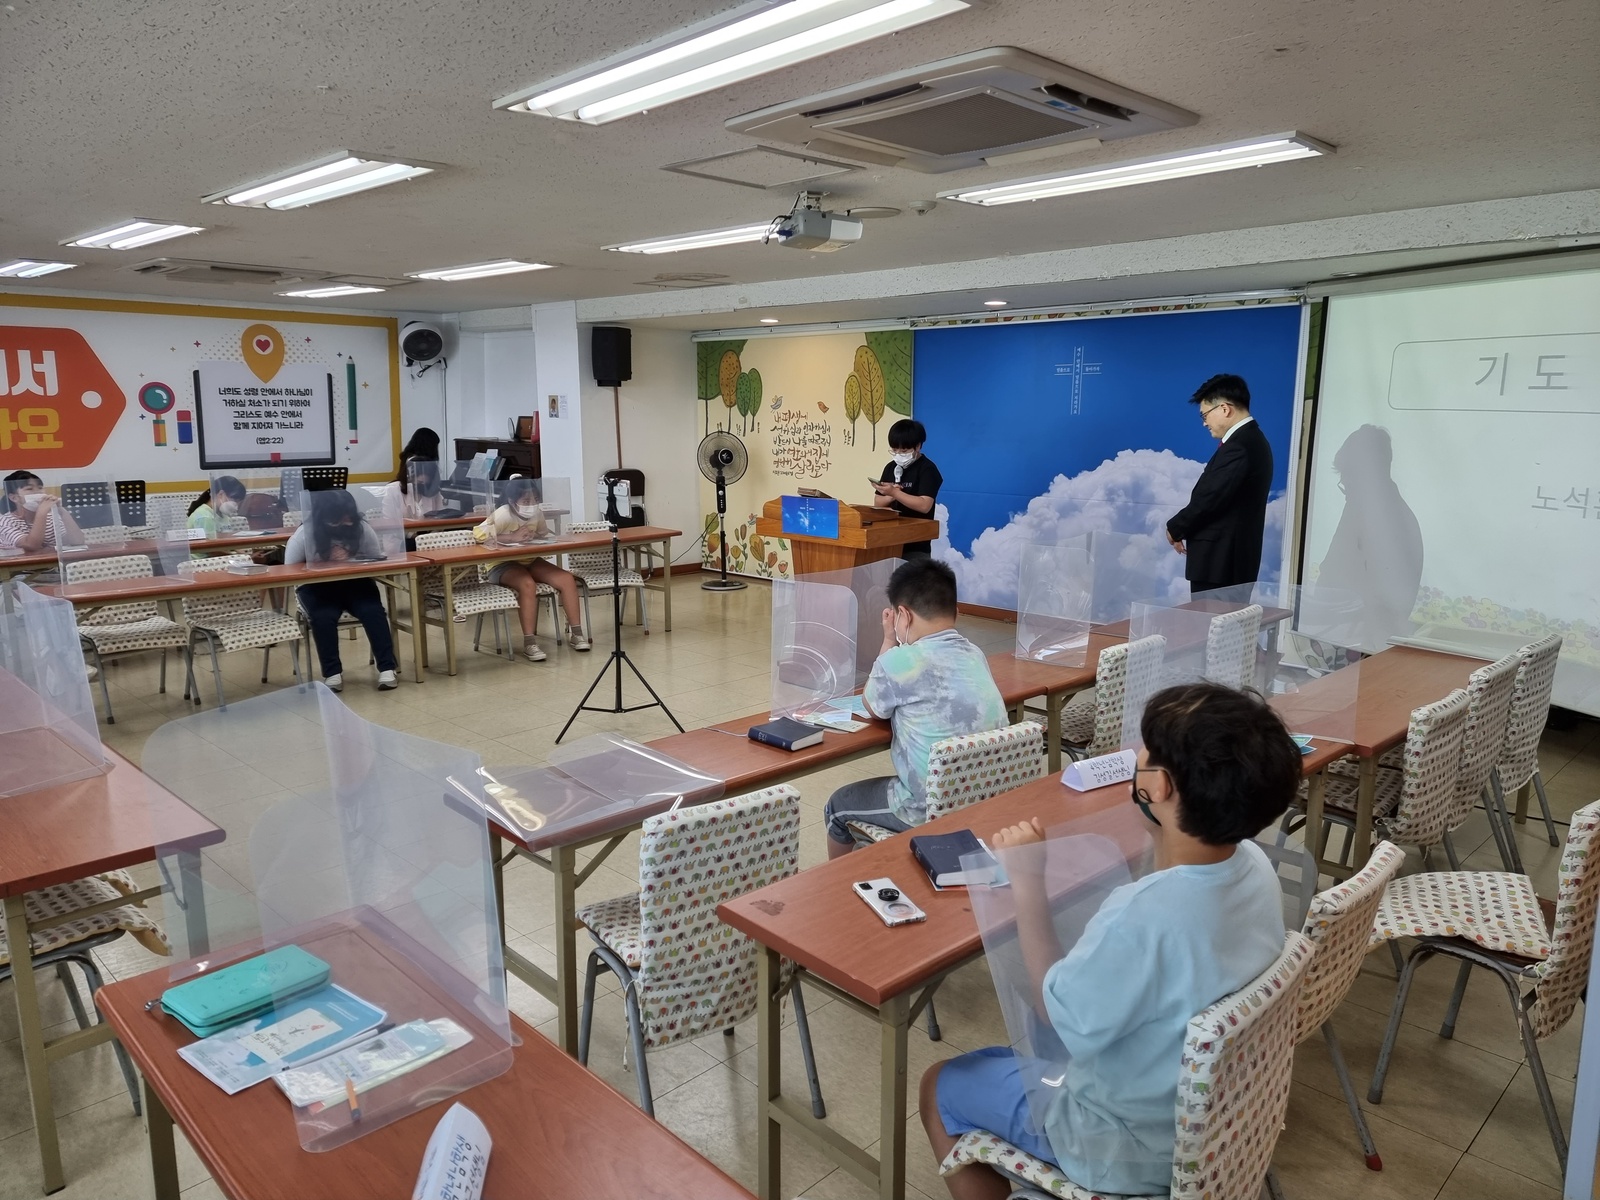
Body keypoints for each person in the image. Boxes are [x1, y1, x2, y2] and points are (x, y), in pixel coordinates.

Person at [920, 682, 1300, 1200]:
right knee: (1017, 1054)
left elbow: (1053, 1011)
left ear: (1159, 786)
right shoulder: (1256, 867)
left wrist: (1027, 879)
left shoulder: (1142, 916)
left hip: (1120, 1145)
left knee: (940, 1083)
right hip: (1212, 1126)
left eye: (1145, 750)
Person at [822, 558, 1006, 859]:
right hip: (984, 798)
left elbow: (872, 706)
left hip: (925, 809)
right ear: (955, 612)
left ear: (903, 615)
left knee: (837, 806)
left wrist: (888, 640)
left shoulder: (901, 661)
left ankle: (840, 884)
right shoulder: (975, 653)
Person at [1165, 374, 1273, 594]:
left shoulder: (1239, 446)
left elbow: (1210, 498)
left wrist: (1175, 528)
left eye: (1205, 415)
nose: (1204, 423)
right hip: (1229, 564)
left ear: (1224, 409)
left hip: (1220, 565)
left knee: (1212, 617)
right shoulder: (1253, 440)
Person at [284, 488, 398, 692]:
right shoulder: (305, 533)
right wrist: (325, 563)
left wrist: (352, 560)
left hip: (355, 584)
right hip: (318, 588)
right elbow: (289, 569)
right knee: (323, 617)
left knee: (373, 612)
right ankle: (332, 673)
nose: (346, 521)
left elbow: (375, 559)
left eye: (349, 516)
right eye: (339, 517)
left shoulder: (362, 528)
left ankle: (387, 668)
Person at [472, 476, 590, 661]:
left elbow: (543, 535)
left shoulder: (537, 514)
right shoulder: (503, 514)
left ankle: (577, 634)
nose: (532, 505)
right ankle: (530, 643)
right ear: (513, 501)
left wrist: (535, 536)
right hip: (501, 565)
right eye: (526, 501)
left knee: (567, 579)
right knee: (527, 584)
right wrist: (511, 538)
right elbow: (477, 535)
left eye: (535, 500)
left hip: (529, 560)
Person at [872, 418, 942, 557]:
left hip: (916, 543)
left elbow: (924, 505)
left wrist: (895, 493)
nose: (899, 454)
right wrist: (889, 496)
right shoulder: (890, 467)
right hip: (890, 540)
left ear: (918, 446)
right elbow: (877, 502)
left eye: (904, 450)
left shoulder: (927, 469)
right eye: (895, 450)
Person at [0, 470, 82, 552]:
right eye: (29, 489)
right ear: (14, 498)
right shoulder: (5, 521)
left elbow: (77, 541)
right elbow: (31, 546)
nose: (38, 492)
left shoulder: (51, 517)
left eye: (40, 488)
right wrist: (41, 513)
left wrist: (61, 510)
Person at [382, 456, 444, 522]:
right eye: (419, 482)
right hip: (403, 528)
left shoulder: (433, 491)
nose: (423, 486)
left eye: (426, 483)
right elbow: (389, 520)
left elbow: (441, 518)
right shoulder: (392, 490)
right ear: (409, 476)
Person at [186, 475, 247, 540]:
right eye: (234, 500)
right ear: (221, 494)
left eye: (238, 502)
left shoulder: (222, 514)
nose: (236, 505)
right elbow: (209, 544)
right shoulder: (205, 517)